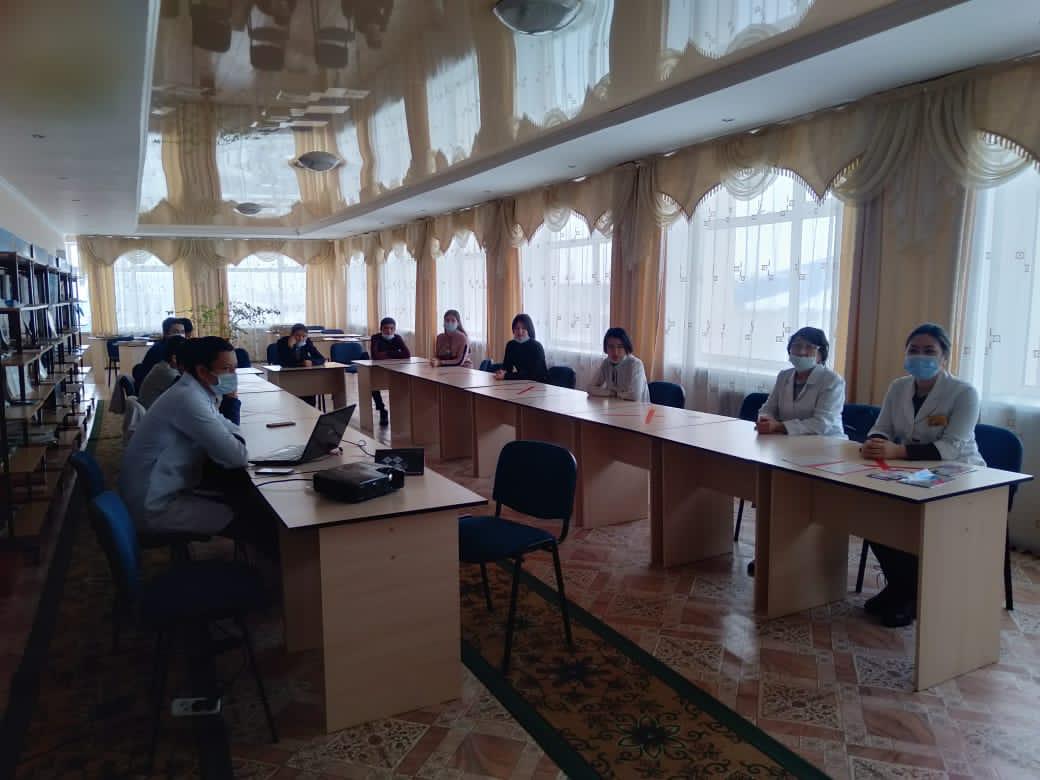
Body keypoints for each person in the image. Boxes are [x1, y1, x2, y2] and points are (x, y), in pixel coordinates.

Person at [860, 323, 984, 628]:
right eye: (913, 350)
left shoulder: (964, 393)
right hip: (911, 470)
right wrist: (875, 442)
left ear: (944, 357)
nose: (920, 356)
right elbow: (882, 426)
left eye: (929, 351)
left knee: (908, 515)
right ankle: (900, 587)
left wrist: (896, 451)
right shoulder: (898, 387)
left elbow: (951, 447)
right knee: (871, 510)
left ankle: (907, 595)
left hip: (960, 473)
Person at [119, 337, 275, 558]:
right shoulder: (188, 399)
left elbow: (230, 428)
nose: (233, 376)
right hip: (155, 505)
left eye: (235, 368)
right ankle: (265, 573)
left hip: (162, 488)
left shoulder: (195, 392)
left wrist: (230, 438)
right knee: (256, 517)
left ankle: (261, 564)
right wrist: (230, 440)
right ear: (202, 371)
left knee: (243, 498)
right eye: (227, 369)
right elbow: (236, 456)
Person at [756, 326, 846, 437]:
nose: (801, 352)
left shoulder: (832, 381)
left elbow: (821, 423)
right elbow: (768, 409)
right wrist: (765, 420)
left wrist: (778, 426)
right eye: (797, 346)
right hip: (788, 440)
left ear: (821, 354)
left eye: (809, 347)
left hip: (826, 441)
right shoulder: (784, 376)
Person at [587, 327, 649, 402]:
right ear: (606, 348)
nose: (615, 352)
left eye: (620, 347)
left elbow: (635, 396)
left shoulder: (636, 364)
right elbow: (590, 388)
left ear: (626, 347)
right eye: (611, 347)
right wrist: (611, 393)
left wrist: (615, 394)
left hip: (638, 407)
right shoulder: (606, 363)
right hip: (615, 405)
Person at [370, 317, 411, 426]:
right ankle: (382, 410)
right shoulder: (375, 338)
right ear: (381, 329)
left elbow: (407, 354)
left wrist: (386, 353)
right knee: (373, 386)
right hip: (378, 369)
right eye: (386, 328)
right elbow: (375, 356)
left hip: (395, 369)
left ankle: (399, 411)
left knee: (401, 384)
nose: (389, 331)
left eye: (392, 328)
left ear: (395, 329)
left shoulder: (397, 338)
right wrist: (395, 353)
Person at [274, 323, 327, 407]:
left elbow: (321, 358)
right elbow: (284, 362)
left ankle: (310, 410)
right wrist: (291, 347)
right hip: (287, 376)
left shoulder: (307, 342)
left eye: (304, 336)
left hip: (304, 376)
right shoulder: (282, 342)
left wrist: (311, 362)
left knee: (310, 387)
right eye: (297, 335)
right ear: (291, 335)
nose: (301, 338)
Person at [495, 314, 548, 382]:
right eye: (517, 328)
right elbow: (507, 367)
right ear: (513, 330)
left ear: (529, 330)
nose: (520, 332)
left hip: (539, 383)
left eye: (524, 328)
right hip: (522, 382)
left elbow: (533, 374)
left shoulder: (537, 346)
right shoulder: (511, 345)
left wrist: (506, 376)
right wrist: (502, 371)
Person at [138, 334, 186, 409]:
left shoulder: (162, 366)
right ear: (174, 358)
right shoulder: (168, 372)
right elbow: (186, 393)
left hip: (152, 409)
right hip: (151, 412)